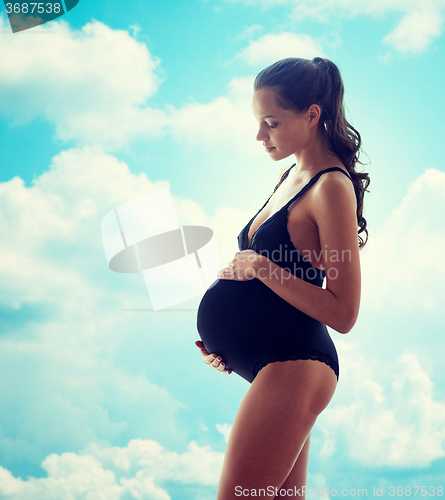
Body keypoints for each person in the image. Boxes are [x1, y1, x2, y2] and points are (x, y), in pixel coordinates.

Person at [195, 57, 370, 499]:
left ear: (312, 115)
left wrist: (261, 267)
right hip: (270, 365)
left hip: (295, 363)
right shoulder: (290, 175)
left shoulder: (332, 187)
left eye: (271, 122)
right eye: (259, 123)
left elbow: (344, 312)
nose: (260, 135)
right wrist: (229, 345)